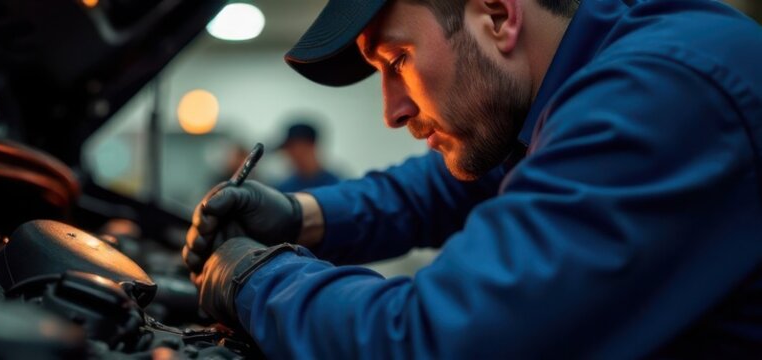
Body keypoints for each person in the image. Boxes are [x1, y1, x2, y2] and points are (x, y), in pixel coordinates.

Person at [181, 0, 762, 358]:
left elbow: (436, 341)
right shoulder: (579, 76)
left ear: (497, 14)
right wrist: (302, 214)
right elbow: (438, 189)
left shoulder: (660, 94)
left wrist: (258, 278)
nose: (392, 110)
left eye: (398, 60)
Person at [275, 122, 341, 193]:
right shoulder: (285, 187)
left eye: (292, 148)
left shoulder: (336, 186)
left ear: (310, 146)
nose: (288, 154)